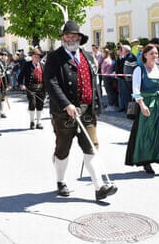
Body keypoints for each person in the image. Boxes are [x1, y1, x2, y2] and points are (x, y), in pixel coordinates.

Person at [44, 20, 117, 201]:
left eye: (74, 36)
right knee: (63, 148)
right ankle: (61, 181)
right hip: (64, 112)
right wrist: (65, 104)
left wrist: (97, 105)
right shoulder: (54, 57)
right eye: (68, 36)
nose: (71, 39)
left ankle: (99, 187)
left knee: (91, 147)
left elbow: (94, 83)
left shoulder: (88, 56)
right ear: (62, 38)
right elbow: (51, 83)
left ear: (79, 38)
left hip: (87, 111)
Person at [125, 44, 159, 176]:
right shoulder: (139, 70)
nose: (154, 56)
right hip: (147, 104)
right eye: (151, 53)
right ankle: (145, 160)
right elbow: (136, 90)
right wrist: (142, 105)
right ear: (145, 55)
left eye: (156, 53)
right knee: (147, 134)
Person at [18, 48, 46, 129]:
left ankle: (39, 122)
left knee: (40, 105)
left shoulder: (43, 65)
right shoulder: (27, 65)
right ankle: (32, 122)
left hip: (41, 88)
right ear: (32, 57)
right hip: (30, 88)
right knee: (32, 104)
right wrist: (21, 84)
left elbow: (46, 77)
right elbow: (20, 76)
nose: (37, 58)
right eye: (35, 57)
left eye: (38, 57)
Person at [123, 45, 137, 111]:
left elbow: (135, 68)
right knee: (129, 94)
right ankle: (130, 109)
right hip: (127, 78)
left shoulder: (131, 57)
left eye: (123, 50)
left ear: (126, 51)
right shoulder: (127, 57)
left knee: (131, 94)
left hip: (131, 79)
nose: (122, 52)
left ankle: (133, 110)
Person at [115, 44, 127, 112]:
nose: (116, 51)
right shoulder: (118, 57)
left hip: (124, 77)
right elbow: (116, 66)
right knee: (121, 93)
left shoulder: (124, 57)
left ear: (121, 50)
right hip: (119, 76)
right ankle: (122, 106)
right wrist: (116, 73)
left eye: (117, 49)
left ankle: (126, 107)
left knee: (125, 93)